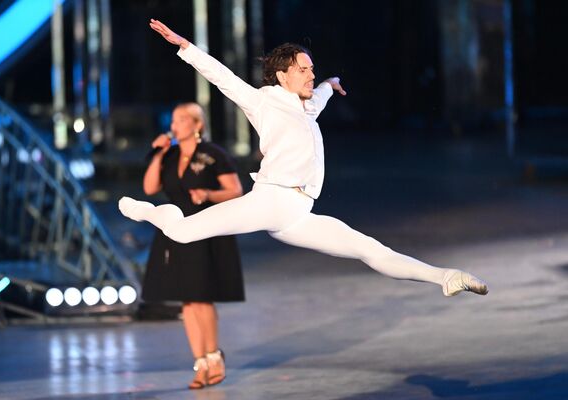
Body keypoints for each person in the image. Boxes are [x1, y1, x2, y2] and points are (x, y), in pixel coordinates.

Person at [121, 16, 488, 336]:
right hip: (270, 200)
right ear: (282, 75)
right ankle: (153, 212)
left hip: (298, 213)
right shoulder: (263, 101)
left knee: (371, 250)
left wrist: (330, 82)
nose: (310, 74)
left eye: (312, 69)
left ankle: (445, 277)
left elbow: (322, 94)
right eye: (303, 69)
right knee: (181, 231)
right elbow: (223, 78)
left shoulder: (308, 105)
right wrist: (185, 46)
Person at [140, 102, 245, 390]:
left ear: (197, 124)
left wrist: (209, 193)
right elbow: (149, 188)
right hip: (175, 230)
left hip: (205, 228)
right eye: (173, 119)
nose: (175, 125)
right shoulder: (170, 154)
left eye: (182, 119)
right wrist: (159, 153)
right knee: (186, 299)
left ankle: (214, 358)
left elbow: (236, 190)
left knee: (201, 296)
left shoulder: (213, 154)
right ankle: (199, 362)